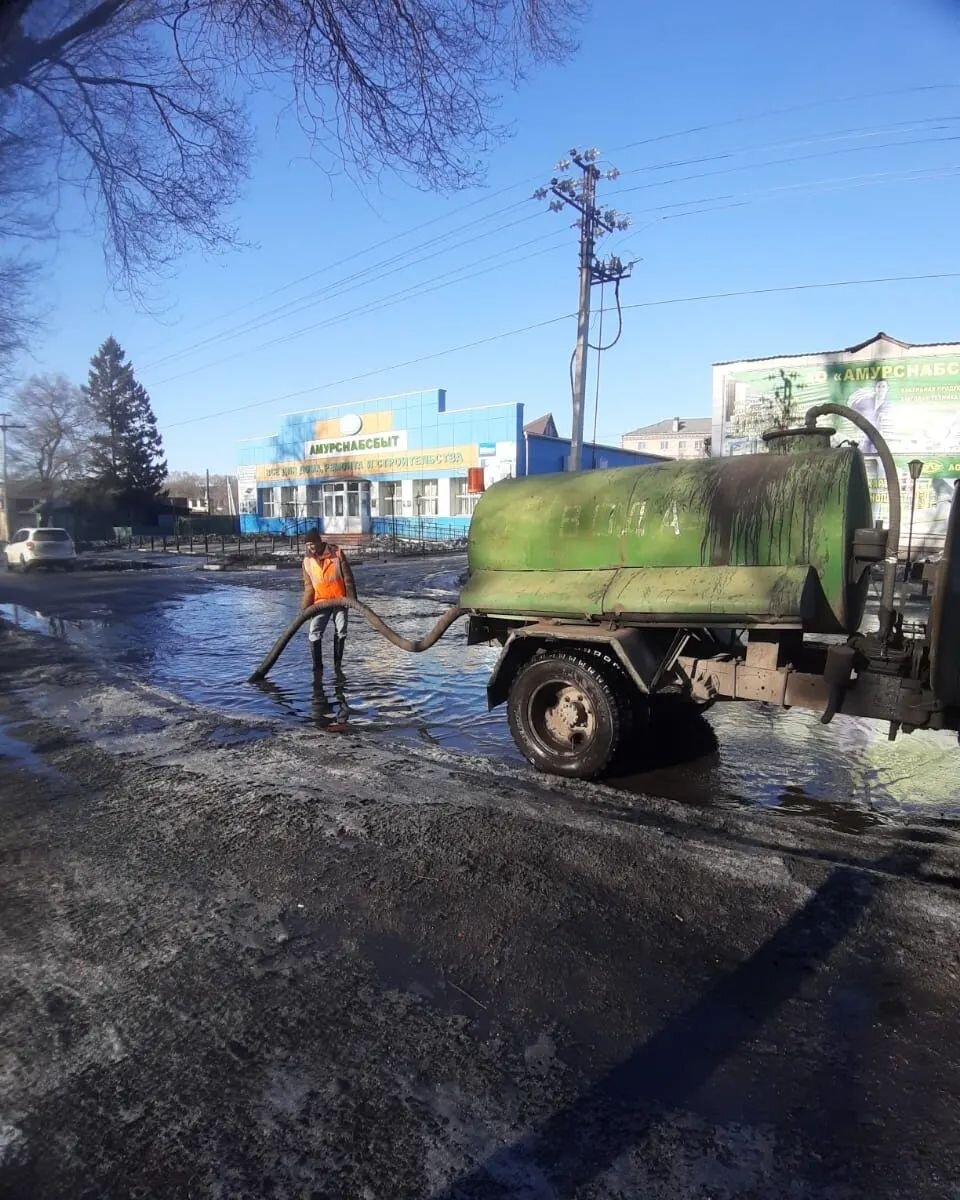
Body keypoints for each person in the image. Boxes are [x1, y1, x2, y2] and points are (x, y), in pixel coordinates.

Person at [301, 529, 357, 675]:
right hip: (320, 601)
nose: (310, 548)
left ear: (319, 542)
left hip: (340, 600)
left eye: (312, 544)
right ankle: (317, 668)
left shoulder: (336, 554)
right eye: (307, 545)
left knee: (341, 630)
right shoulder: (307, 561)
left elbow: (348, 578)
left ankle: (337, 666)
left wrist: (352, 599)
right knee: (314, 631)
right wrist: (305, 609)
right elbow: (308, 587)